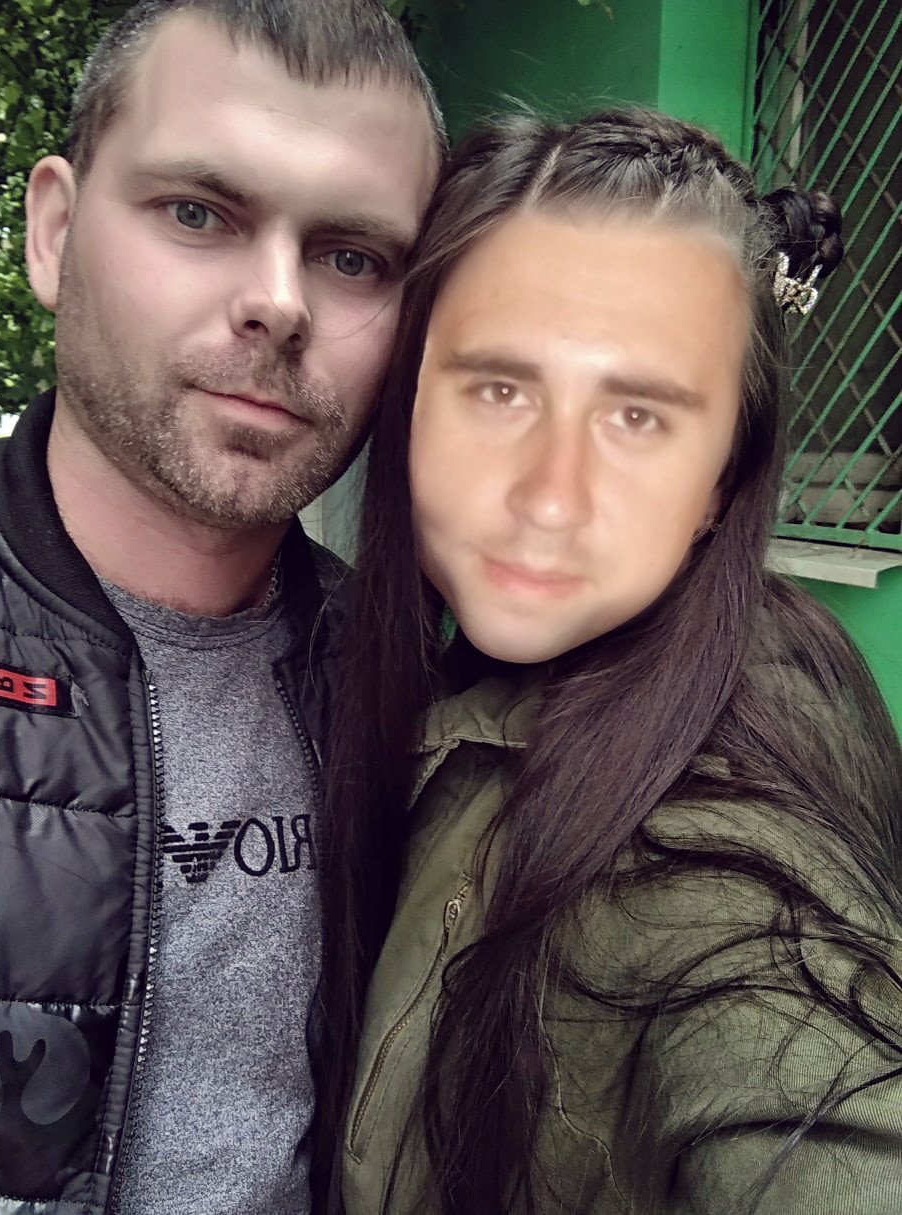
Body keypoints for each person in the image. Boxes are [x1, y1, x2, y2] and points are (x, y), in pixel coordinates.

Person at [313, 109, 902, 1214]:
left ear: (722, 483)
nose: (550, 499)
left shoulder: (729, 855)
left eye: (637, 415)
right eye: (499, 389)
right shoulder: (430, 683)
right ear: (409, 403)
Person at [0, 1, 440, 1212]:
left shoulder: (415, 684)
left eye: (353, 258)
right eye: (199, 214)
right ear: (54, 233)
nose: (280, 302)